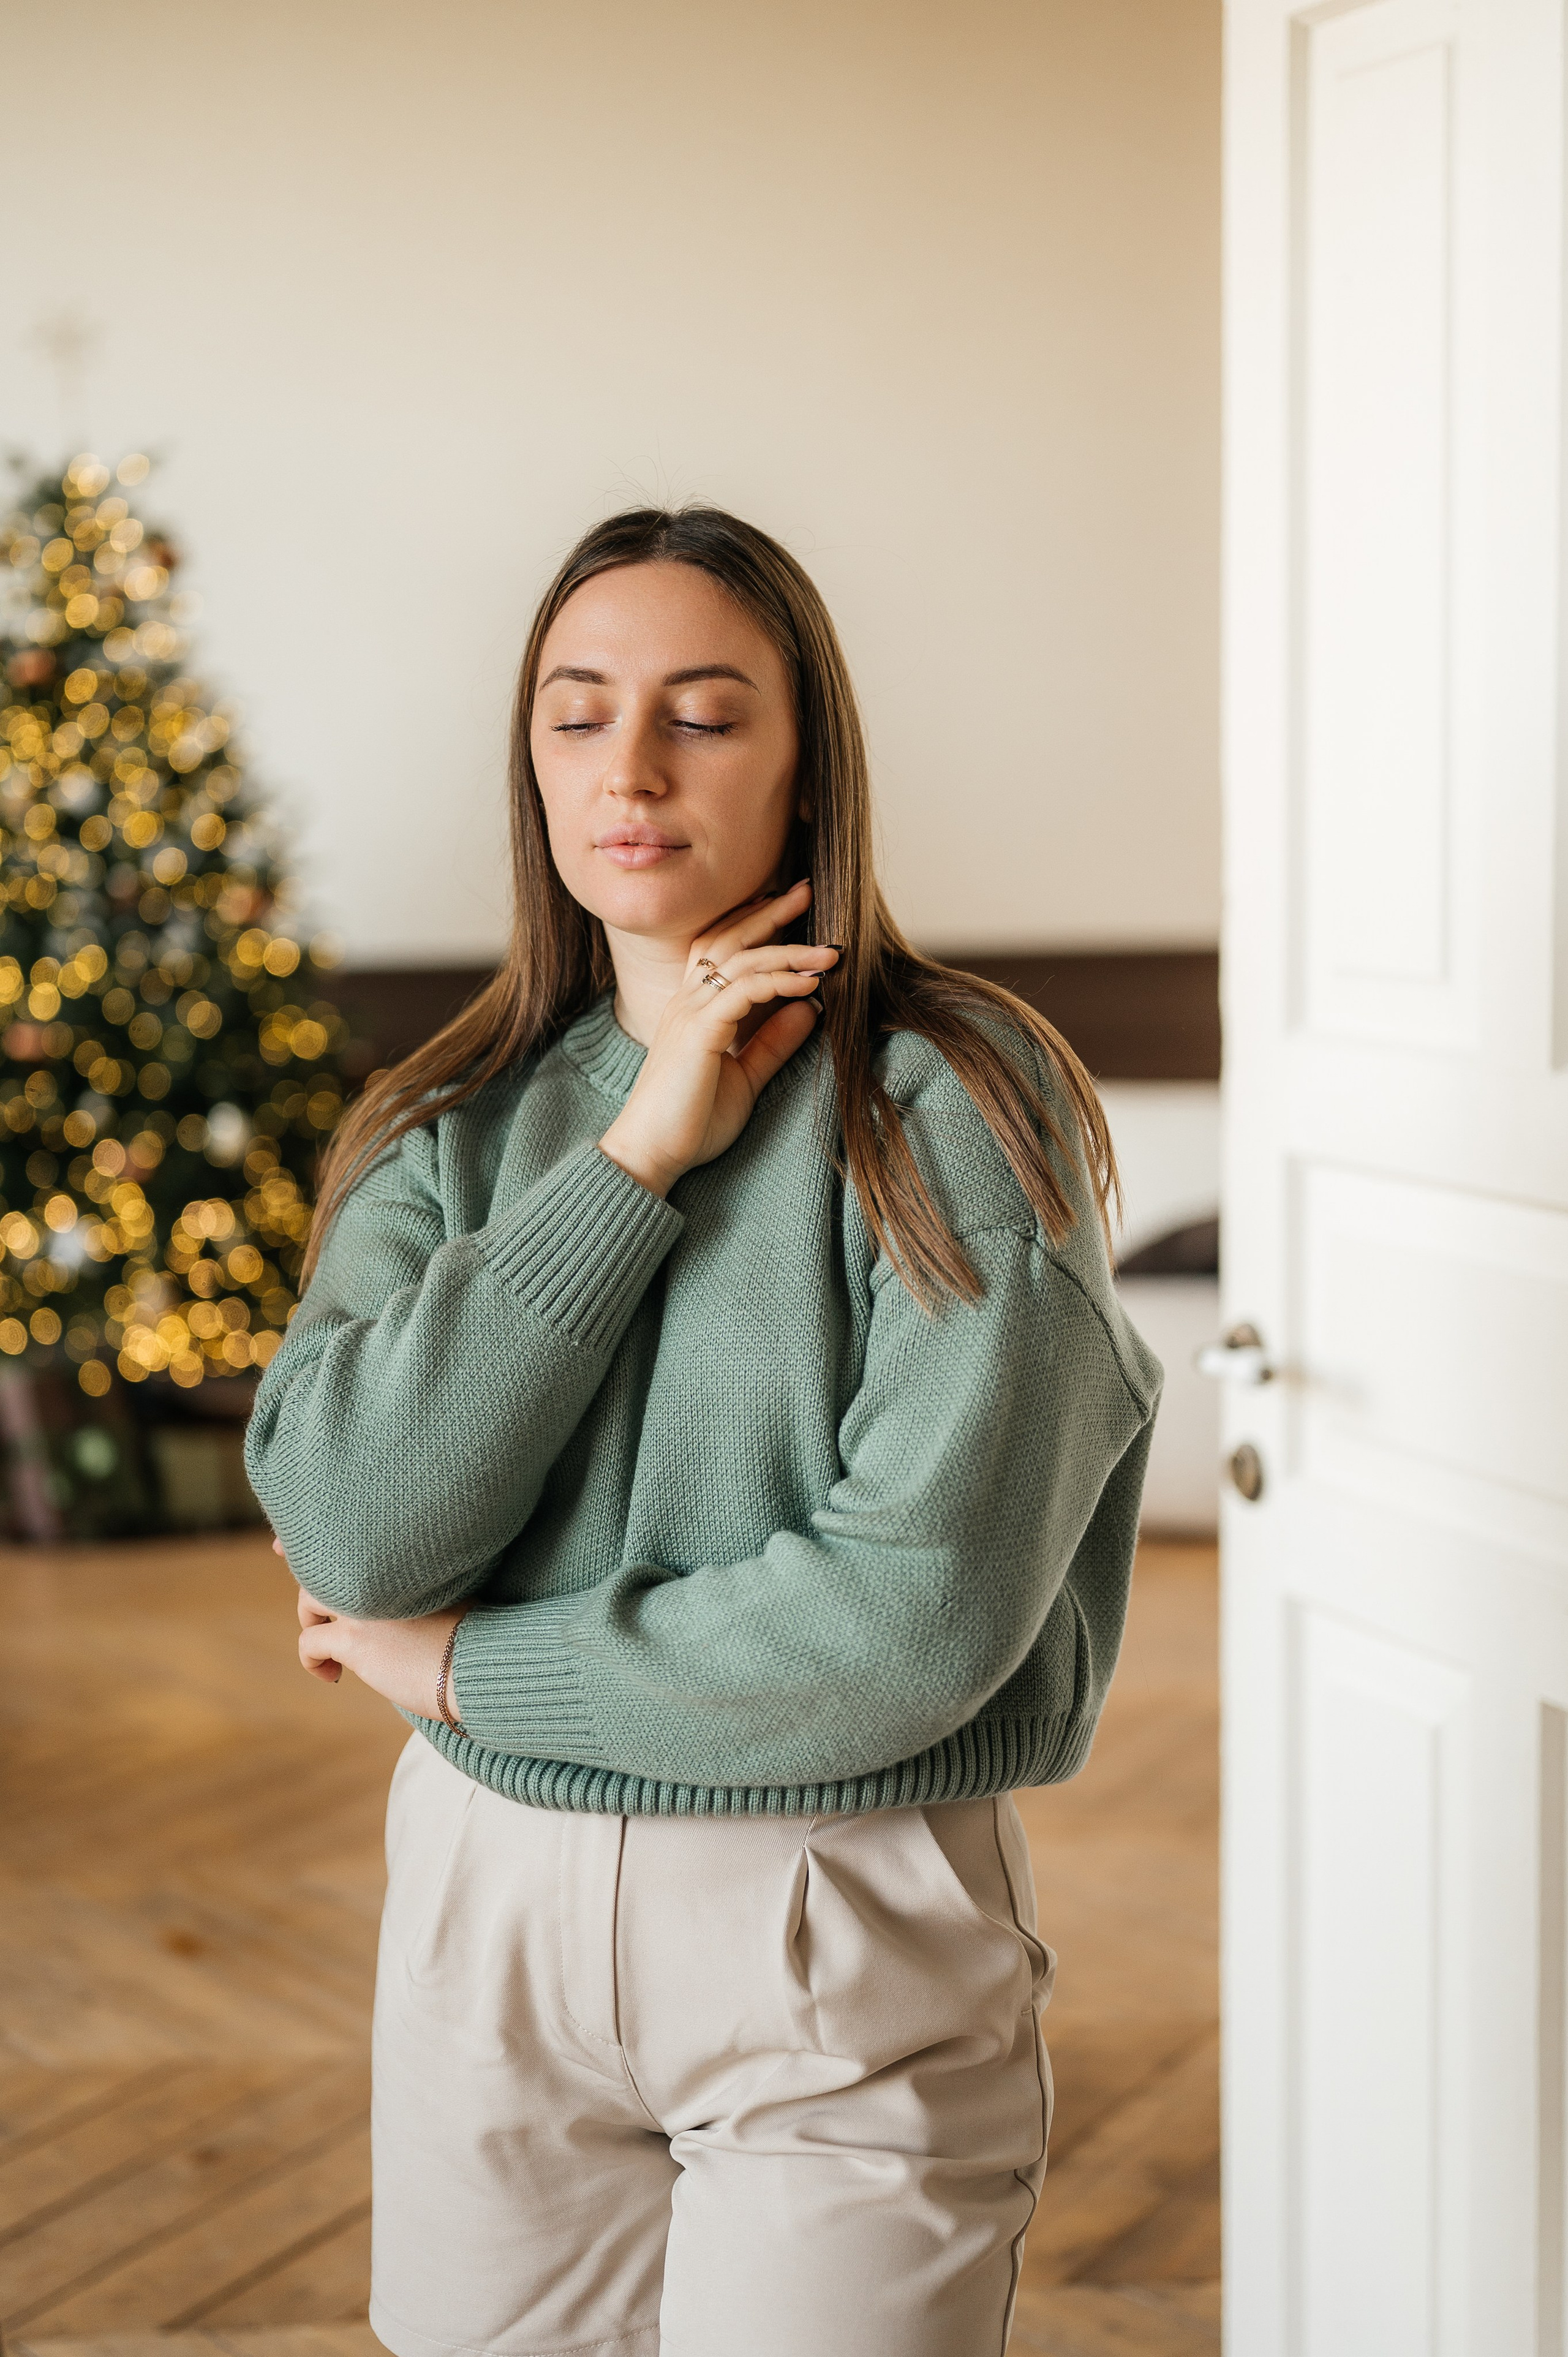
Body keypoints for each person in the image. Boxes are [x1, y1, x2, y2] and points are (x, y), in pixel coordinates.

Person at [246, 505, 1162, 2357]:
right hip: (482, 1927)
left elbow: (907, 1621)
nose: (632, 768)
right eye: (579, 714)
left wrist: (476, 1674)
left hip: (838, 1918)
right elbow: (352, 1527)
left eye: (707, 713)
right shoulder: (450, 1122)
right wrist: (639, 1153)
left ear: (809, 760)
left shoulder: (958, 1107)